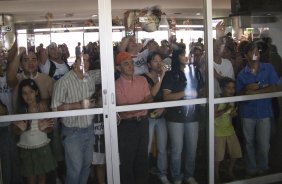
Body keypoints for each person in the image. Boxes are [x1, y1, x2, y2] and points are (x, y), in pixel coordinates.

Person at [51, 54, 101, 184]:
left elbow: (109, 71)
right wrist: (78, 105)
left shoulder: (90, 76)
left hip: (88, 129)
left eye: (88, 60)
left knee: (86, 166)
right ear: (73, 64)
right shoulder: (63, 82)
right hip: (72, 132)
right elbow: (55, 108)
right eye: (81, 60)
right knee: (75, 169)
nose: (86, 63)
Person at [236, 41, 279, 176]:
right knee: (249, 143)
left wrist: (255, 92)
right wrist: (246, 89)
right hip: (247, 113)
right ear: (246, 55)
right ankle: (251, 169)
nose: (255, 53)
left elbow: (274, 87)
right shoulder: (242, 74)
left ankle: (263, 168)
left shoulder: (268, 68)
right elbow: (239, 94)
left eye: (257, 51)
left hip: (264, 112)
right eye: (252, 51)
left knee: (264, 144)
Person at [162, 48, 202, 184]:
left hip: (193, 114)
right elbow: (166, 97)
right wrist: (185, 93)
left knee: (192, 148)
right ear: (176, 57)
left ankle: (189, 175)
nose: (187, 56)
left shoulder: (196, 72)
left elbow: (201, 91)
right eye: (183, 54)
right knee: (177, 149)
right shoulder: (170, 74)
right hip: (175, 117)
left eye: (188, 54)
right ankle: (177, 176)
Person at [115, 52, 152, 184]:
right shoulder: (116, 85)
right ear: (118, 68)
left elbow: (150, 99)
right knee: (127, 160)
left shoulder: (142, 80)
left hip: (143, 122)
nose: (131, 66)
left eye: (131, 63)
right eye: (126, 64)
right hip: (127, 126)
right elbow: (124, 112)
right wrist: (142, 104)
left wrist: (133, 108)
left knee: (142, 158)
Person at [12, 79, 56, 184]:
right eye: (24, 93)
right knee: (30, 180)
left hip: (42, 147)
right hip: (26, 149)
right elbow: (15, 131)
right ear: (21, 96)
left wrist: (45, 129)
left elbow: (51, 127)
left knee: (42, 179)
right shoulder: (19, 111)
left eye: (31, 92)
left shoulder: (43, 108)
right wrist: (20, 130)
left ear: (36, 92)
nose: (28, 96)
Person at [142, 52, 170, 184]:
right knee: (146, 147)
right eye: (155, 61)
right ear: (149, 64)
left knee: (162, 147)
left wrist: (164, 108)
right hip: (147, 117)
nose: (159, 63)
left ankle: (162, 172)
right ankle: (143, 173)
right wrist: (162, 76)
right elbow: (151, 94)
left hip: (161, 116)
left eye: (160, 60)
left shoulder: (166, 77)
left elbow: (168, 96)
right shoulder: (144, 78)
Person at [214, 77, 242, 182]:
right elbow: (213, 115)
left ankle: (230, 171)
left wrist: (233, 113)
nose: (231, 90)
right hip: (218, 131)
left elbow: (232, 115)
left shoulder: (232, 100)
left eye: (233, 88)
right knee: (218, 157)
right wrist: (226, 110)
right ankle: (215, 175)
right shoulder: (217, 99)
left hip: (229, 129)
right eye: (228, 88)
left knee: (236, 152)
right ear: (222, 88)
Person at [92, 85, 106, 184]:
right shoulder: (92, 108)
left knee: (109, 163)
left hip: (108, 140)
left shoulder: (112, 105)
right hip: (96, 143)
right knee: (99, 165)